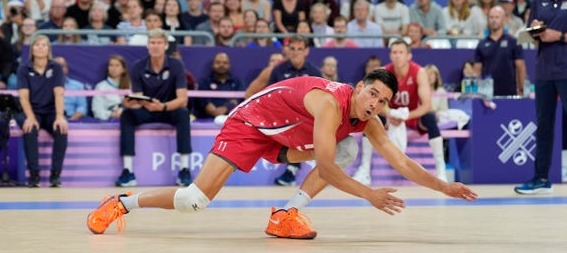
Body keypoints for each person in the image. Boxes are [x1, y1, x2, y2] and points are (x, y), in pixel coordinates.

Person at [86, 70, 478, 238]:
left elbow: (402, 161)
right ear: (358, 87)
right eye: (372, 93)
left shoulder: (369, 119)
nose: (375, 103)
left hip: (286, 139)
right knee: (193, 201)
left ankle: (285, 215)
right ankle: (121, 202)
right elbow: (323, 166)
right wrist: (369, 195)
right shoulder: (330, 104)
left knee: (346, 147)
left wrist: (444, 187)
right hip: (250, 125)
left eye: (383, 100)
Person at [353, 40, 449, 185]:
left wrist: (407, 116)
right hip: (389, 114)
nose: (397, 56)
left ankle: (441, 170)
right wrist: (390, 114)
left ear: (409, 56)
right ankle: (364, 170)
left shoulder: (419, 72)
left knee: (430, 117)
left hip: (412, 115)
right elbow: (376, 100)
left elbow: (427, 105)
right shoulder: (385, 72)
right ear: (390, 55)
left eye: (401, 52)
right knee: (370, 117)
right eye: (394, 52)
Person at [515, 0, 567, 194]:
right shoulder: (538, 0)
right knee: (544, 126)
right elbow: (529, 36)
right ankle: (541, 178)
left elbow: (557, 36)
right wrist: (535, 31)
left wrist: (560, 36)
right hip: (544, 71)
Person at [115, 29, 192, 188]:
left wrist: (163, 106)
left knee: (184, 114)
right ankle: (127, 171)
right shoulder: (138, 66)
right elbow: (138, 96)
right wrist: (132, 103)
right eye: (152, 43)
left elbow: (183, 99)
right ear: (147, 46)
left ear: (165, 46)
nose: (155, 46)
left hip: (168, 109)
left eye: (158, 43)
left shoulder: (176, 65)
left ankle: (184, 169)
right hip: (148, 109)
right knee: (127, 114)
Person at [15, 35, 68, 187]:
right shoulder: (24, 69)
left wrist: (59, 117)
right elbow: (23, 97)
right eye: (37, 44)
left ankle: (55, 176)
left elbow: (59, 93)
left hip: (51, 111)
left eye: (44, 45)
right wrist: (30, 117)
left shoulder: (56, 67)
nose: (40, 47)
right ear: (32, 49)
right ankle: (34, 175)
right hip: (32, 111)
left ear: (49, 50)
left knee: (61, 129)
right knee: (29, 129)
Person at [268, 36, 322, 186]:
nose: (296, 53)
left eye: (300, 49)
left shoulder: (314, 72)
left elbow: (322, 99)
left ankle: (292, 170)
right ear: (287, 50)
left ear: (306, 51)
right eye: (293, 49)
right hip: (282, 115)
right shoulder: (278, 70)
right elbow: (269, 96)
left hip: (307, 116)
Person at [473, 6, 526, 97]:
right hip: (487, 94)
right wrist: (477, 90)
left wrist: (521, 89)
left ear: (504, 19)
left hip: (509, 92)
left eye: (497, 17)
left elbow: (520, 67)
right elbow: (477, 69)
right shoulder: (482, 44)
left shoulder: (513, 42)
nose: (494, 20)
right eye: (491, 17)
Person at [196, 52, 244, 119]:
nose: (221, 65)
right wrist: (215, 112)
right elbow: (206, 104)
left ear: (229, 65)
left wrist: (226, 108)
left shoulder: (237, 82)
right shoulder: (204, 82)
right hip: (208, 119)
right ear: (213, 65)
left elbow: (238, 102)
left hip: (232, 119)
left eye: (225, 63)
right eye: (218, 62)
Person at [92, 55, 131, 121]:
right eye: (111, 65)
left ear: (123, 69)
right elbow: (96, 110)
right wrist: (112, 114)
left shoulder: (131, 86)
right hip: (109, 122)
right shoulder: (100, 86)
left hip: (129, 120)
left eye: (117, 65)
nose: (113, 68)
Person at [54, 56, 87, 121]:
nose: (59, 69)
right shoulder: (44, 85)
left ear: (67, 68)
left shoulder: (78, 86)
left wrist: (71, 120)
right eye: (57, 67)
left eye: (62, 66)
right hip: (51, 119)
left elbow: (82, 107)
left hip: (72, 118)